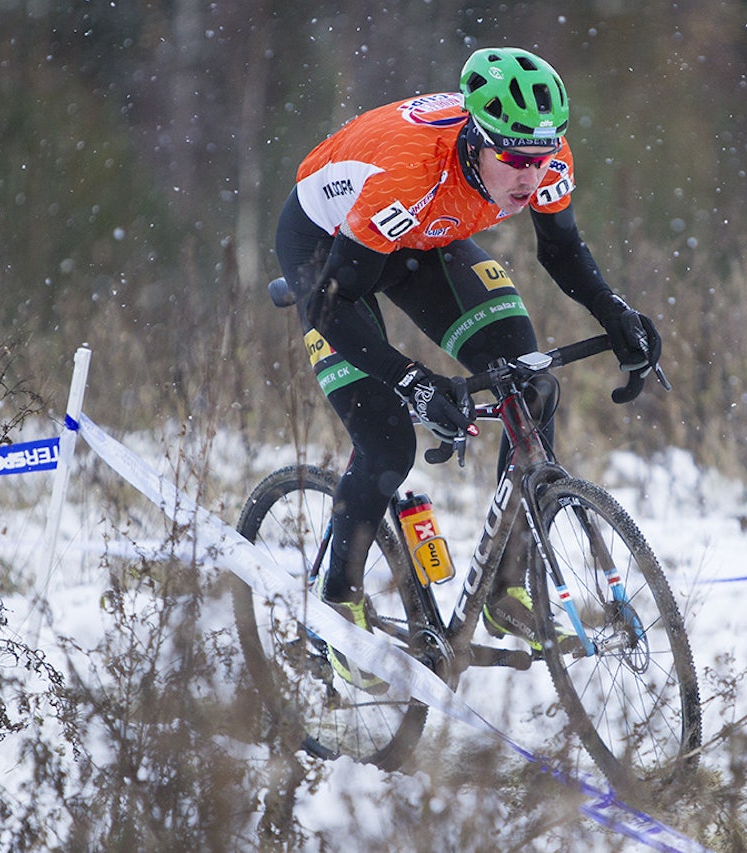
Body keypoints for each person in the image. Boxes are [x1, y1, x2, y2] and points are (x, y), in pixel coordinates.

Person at [272, 46, 661, 686]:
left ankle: (509, 588)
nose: (530, 177)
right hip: (329, 250)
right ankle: (337, 603)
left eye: (541, 159)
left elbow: (559, 245)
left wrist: (612, 311)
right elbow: (336, 307)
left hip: (425, 235)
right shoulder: (407, 175)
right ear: (477, 140)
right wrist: (412, 381)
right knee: (387, 440)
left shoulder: (541, 152)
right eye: (512, 159)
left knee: (529, 382)